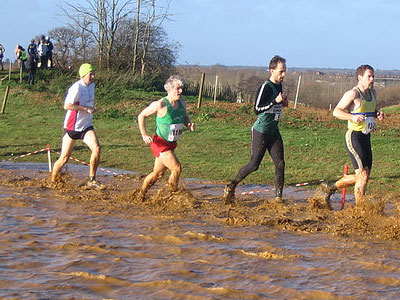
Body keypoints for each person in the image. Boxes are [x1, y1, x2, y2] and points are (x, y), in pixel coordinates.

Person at [222, 55, 288, 205]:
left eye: (285, 71)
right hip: (261, 131)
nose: (283, 74)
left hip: (274, 131)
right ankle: (231, 186)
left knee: (280, 164)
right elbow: (257, 109)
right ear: (272, 70)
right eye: (281, 71)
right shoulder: (265, 86)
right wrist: (274, 102)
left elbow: (275, 107)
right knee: (254, 165)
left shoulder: (279, 86)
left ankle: (278, 197)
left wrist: (283, 103)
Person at [320, 64, 385, 207]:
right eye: (369, 76)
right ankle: (360, 210)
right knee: (362, 175)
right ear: (360, 77)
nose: (372, 79)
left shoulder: (373, 93)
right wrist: (351, 117)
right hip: (353, 137)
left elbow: (371, 110)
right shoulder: (352, 94)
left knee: (364, 176)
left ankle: (331, 186)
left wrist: (377, 114)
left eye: (373, 76)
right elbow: (336, 111)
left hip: (366, 137)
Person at [137, 75, 195, 201]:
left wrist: (188, 124)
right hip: (159, 143)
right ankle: (173, 195)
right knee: (177, 168)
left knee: (158, 174)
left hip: (171, 144)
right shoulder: (160, 104)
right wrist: (144, 135)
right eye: (177, 89)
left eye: (181, 88)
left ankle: (141, 194)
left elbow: (185, 117)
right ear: (169, 89)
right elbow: (141, 116)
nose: (180, 91)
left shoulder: (182, 102)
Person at [51, 63, 104, 189]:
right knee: (64, 158)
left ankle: (92, 179)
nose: (93, 76)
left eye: (93, 74)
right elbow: (67, 106)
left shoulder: (92, 86)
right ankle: (53, 180)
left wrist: (90, 109)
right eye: (91, 74)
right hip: (72, 127)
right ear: (83, 75)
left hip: (86, 126)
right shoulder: (76, 88)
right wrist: (85, 108)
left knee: (96, 148)